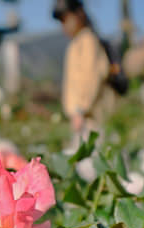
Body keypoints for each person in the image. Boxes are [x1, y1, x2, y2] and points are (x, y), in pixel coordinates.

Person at [53, 0, 115, 138]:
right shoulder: (75, 43)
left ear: (79, 14)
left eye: (65, 20)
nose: (64, 26)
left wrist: (80, 109)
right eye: (61, 22)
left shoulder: (87, 41)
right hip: (81, 117)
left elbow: (91, 78)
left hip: (91, 116)